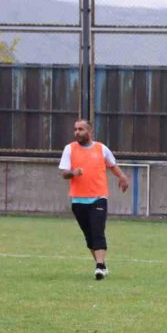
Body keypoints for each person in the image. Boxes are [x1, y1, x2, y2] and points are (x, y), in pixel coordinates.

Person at [58, 119, 129, 280]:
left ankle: (99, 267)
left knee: (98, 232)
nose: (77, 132)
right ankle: (101, 264)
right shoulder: (69, 149)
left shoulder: (101, 148)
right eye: (75, 129)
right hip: (78, 200)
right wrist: (73, 173)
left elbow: (112, 165)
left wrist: (122, 176)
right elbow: (64, 173)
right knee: (89, 236)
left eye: (81, 129)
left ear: (90, 132)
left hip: (98, 197)